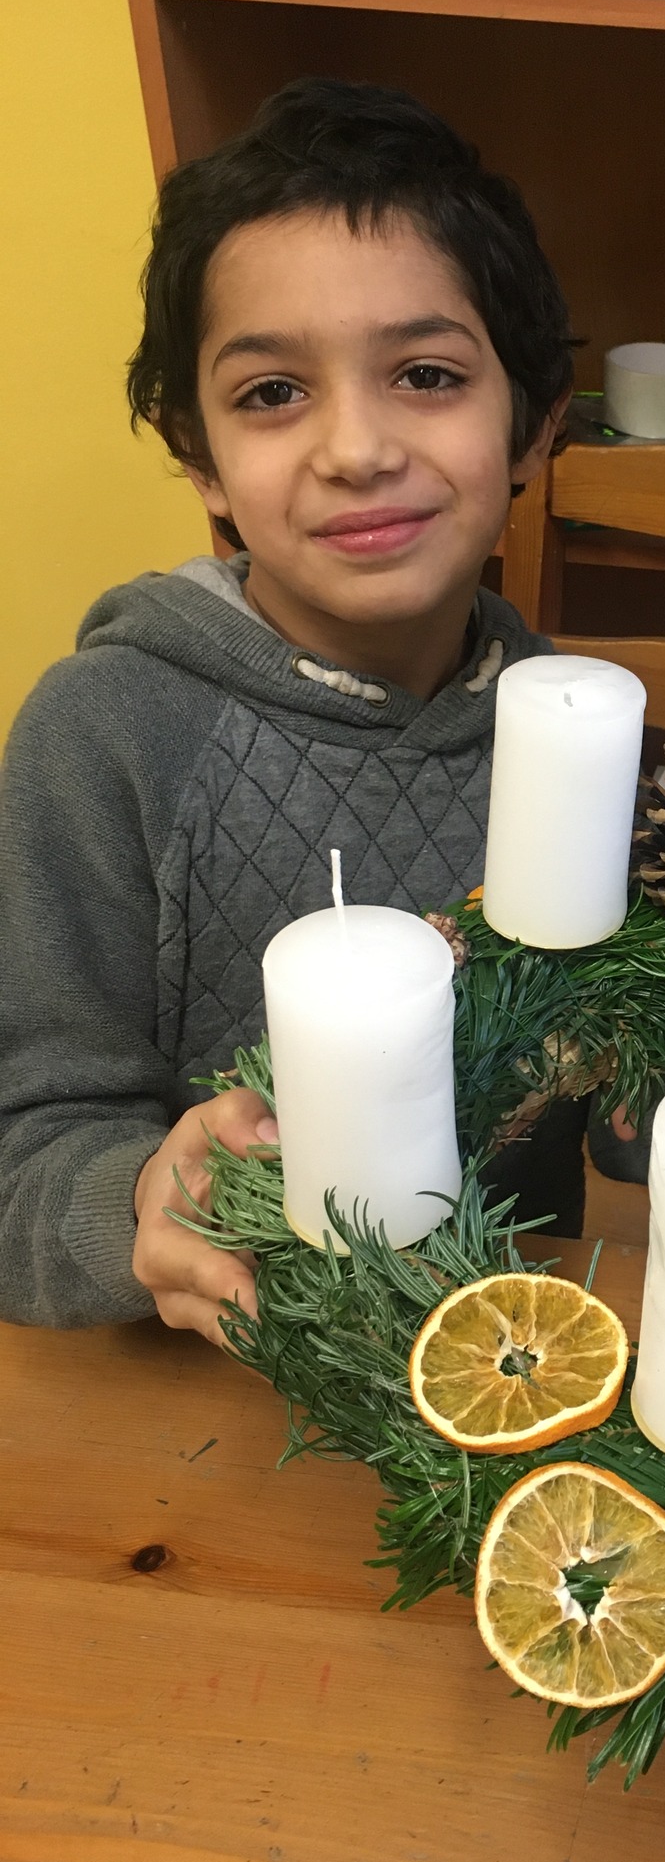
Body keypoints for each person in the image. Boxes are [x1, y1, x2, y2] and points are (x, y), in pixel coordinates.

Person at [0, 79, 579, 1347]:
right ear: (198, 455)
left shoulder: (586, 749)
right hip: (204, 1423)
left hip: (521, 1390)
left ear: (533, 424)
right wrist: (135, 1201)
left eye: (425, 374)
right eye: (272, 393)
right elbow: (23, 1157)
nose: (356, 447)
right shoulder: (104, 738)